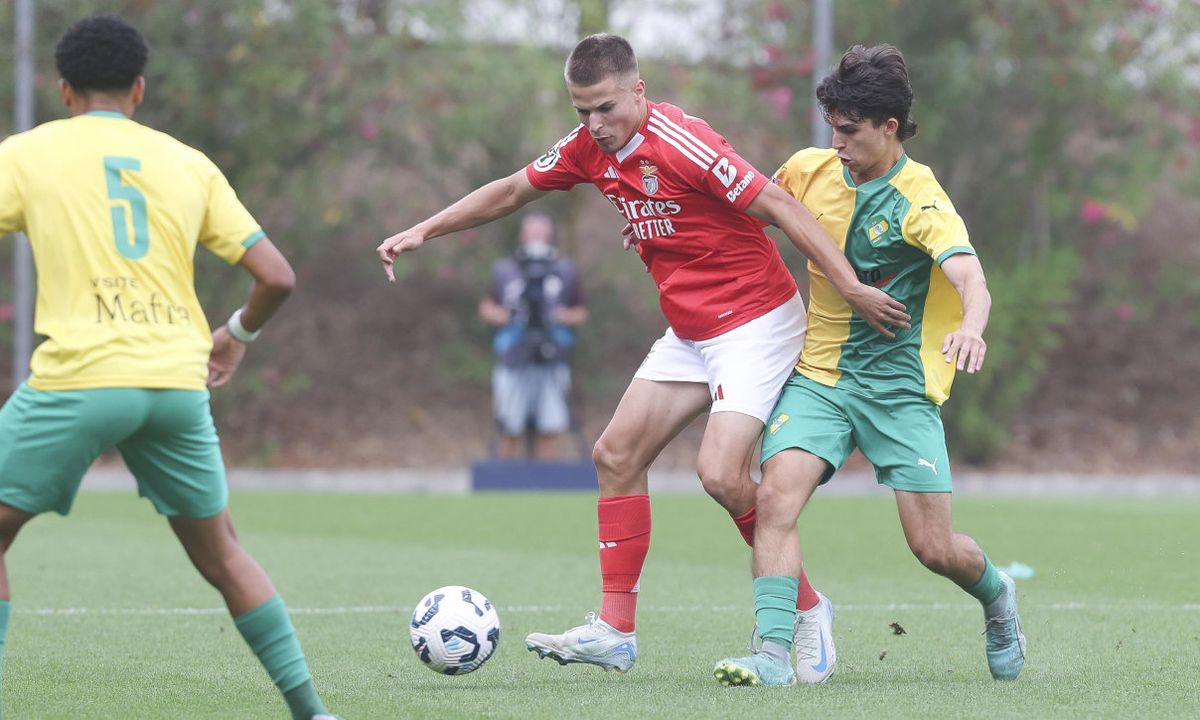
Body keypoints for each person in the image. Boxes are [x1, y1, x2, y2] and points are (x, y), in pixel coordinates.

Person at [376, 33, 908, 680]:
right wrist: (424, 228)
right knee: (615, 454)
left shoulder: (683, 142)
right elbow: (513, 190)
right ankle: (615, 631)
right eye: (580, 111)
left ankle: (807, 610)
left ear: (638, 90)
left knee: (719, 474)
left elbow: (778, 204)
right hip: (690, 330)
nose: (594, 125)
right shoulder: (585, 151)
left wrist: (849, 284)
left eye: (605, 108)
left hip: (755, 323)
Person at [0, 16, 336, 719]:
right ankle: (312, 712)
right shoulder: (188, 163)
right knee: (224, 557)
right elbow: (277, 275)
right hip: (176, 386)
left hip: (81, 379)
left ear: (63, 90)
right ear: (140, 90)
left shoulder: (26, 155)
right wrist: (236, 333)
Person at [712, 44, 1025, 688]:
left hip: (898, 389)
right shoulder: (807, 169)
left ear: (889, 128)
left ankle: (997, 599)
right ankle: (773, 653)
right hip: (820, 378)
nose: (837, 142)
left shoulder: (920, 197)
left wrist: (971, 326)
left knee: (933, 549)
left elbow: (971, 276)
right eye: (832, 126)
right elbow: (747, 208)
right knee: (774, 499)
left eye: (850, 130)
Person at [479, 211, 588, 459]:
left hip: (553, 353)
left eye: (542, 233)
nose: (537, 237)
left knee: (551, 423)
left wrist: (562, 316)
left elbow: (581, 312)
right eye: (532, 232)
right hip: (513, 354)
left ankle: (545, 483)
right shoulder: (505, 270)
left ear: (550, 237)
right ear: (522, 236)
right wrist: (503, 316)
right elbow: (487, 307)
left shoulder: (565, 271)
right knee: (509, 422)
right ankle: (505, 482)